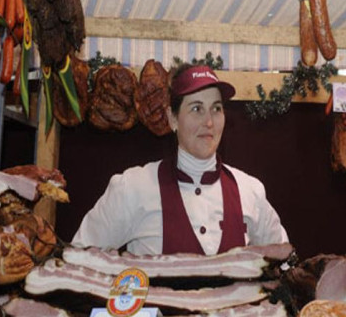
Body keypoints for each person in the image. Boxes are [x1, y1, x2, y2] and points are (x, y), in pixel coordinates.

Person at [72, 64, 289, 255]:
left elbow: (283, 262)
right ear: (172, 119)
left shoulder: (249, 191)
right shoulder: (132, 188)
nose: (209, 122)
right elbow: (79, 259)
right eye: (196, 109)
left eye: (216, 108)